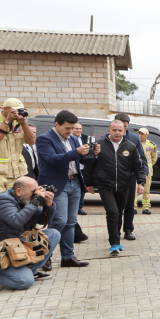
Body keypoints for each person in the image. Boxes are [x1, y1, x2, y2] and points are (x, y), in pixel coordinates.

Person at [36, 110, 96, 269]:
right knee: (59, 221)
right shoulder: (44, 139)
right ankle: (45, 257)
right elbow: (52, 159)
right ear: (57, 124)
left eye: (72, 128)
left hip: (75, 182)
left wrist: (92, 154)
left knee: (71, 222)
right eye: (67, 128)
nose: (70, 131)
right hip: (57, 185)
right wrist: (76, 152)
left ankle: (68, 257)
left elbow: (81, 160)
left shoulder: (74, 139)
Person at [83, 120, 146, 256]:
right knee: (112, 211)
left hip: (123, 185)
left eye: (120, 130)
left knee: (118, 212)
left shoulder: (130, 146)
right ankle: (114, 243)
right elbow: (89, 164)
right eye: (114, 130)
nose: (117, 133)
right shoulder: (99, 144)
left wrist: (141, 183)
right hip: (105, 185)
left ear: (124, 131)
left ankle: (116, 239)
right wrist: (88, 183)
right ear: (109, 130)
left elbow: (138, 167)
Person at [0, 177, 59, 288]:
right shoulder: (2, 200)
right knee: (25, 281)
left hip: (19, 243)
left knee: (53, 234)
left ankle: (31, 269)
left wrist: (48, 204)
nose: (36, 194)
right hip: (2, 248)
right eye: (32, 191)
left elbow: (41, 221)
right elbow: (17, 222)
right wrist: (35, 202)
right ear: (18, 191)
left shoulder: (25, 199)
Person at [0, 98, 34, 201]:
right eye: (15, 110)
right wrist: (7, 121)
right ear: (5, 109)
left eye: (21, 110)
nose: (18, 113)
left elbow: (31, 141)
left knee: (16, 206)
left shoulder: (19, 124)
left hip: (16, 174)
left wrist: (24, 123)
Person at [113, 113, 147, 241]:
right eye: (119, 127)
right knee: (115, 207)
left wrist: (143, 175)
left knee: (129, 205)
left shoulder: (134, 138)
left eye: (125, 127)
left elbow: (141, 157)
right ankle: (115, 231)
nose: (121, 130)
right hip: (114, 178)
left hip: (130, 177)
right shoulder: (108, 139)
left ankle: (128, 229)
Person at [137, 128, 157, 215]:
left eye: (142, 134)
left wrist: (148, 167)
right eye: (139, 133)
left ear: (147, 135)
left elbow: (154, 158)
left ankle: (146, 207)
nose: (140, 135)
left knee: (146, 190)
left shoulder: (151, 145)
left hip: (147, 171)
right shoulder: (135, 143)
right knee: (134, 190)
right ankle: (133, 207)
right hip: (136, 170)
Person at [72, 122, 89, 216]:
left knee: (83, 188)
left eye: (80, 129)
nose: (79, 130)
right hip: (74, 168)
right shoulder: (70, 139)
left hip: (83, 167)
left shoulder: (85, 138)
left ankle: (80, 207)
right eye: (76, 128)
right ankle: (75, 208)